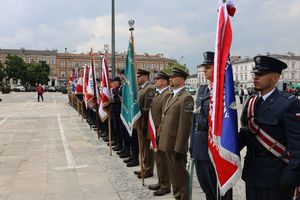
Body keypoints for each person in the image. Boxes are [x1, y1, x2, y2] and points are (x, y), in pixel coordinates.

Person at [239, 56, 300, 200]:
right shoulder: (251, 102)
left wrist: (290, 177)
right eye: (255, 74)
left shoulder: (289, 104)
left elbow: (297, 147)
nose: (255, 77)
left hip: (276, 177)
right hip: (252, 174)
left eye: (261, 74)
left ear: (275, 77)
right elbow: (245, 135)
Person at [190, 51, 232, 200]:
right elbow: (195, 118)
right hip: (201, 144)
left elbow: (229, 123)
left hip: (217, 146)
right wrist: (192, 145)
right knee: (206, 185)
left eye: (208, 66)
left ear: (218, 68)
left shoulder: (226, 91)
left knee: (220, 189)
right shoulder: (202, 89)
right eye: (204, 67)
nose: (204, 70)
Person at [158, 66, 194, 200]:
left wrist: (180, 148)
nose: (170, 78)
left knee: (180, 176)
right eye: (170, 77)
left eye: (173, 76)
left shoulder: (186, 98)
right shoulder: (171, 96)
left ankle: (183, 197)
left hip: (176, 146)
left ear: (182, 79)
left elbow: (185, 126)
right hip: (167, 143)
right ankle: (177, 196)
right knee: (174, 176)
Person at [147, 71, 172, 196]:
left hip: (160, 131)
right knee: (158, 159)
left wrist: (159, 129)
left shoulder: (167, 94)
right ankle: (161, 181)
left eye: (157, 79)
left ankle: (166, 185)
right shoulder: (159, 93)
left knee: (163, 159)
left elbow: (164, 115)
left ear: (164, 81)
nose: (155, 80)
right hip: (154, 130)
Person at [132, 68, 155, 175]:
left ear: (145, 76)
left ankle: (148, 169)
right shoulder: (141, 89)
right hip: (140, 123)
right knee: (143, 147)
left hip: (146, 123)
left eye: (138, 76)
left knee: (147, 148)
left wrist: (138, 110)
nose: (137, 78)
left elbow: (149, 109)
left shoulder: (149, 89)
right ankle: (144, 166)